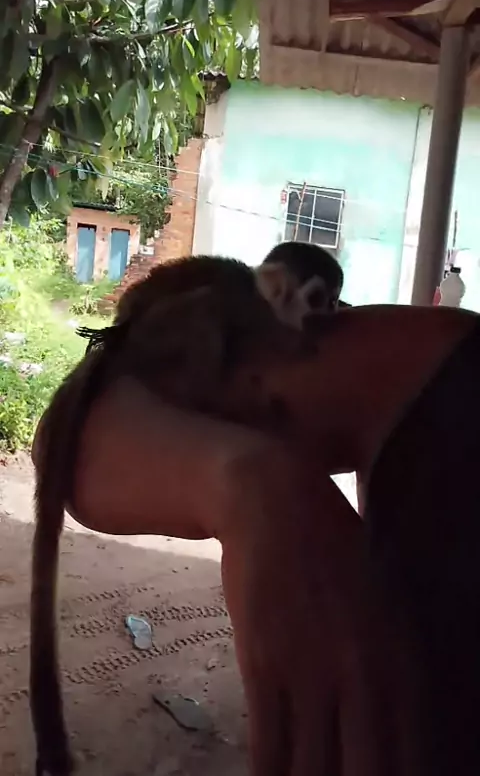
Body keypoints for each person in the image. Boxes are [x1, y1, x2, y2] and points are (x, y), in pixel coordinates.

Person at [61, 297, 480, 775]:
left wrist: (244, 478)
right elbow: (68, 445)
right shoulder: (415, 413)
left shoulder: (452, 470)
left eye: (208, 421)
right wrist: (248, 479)